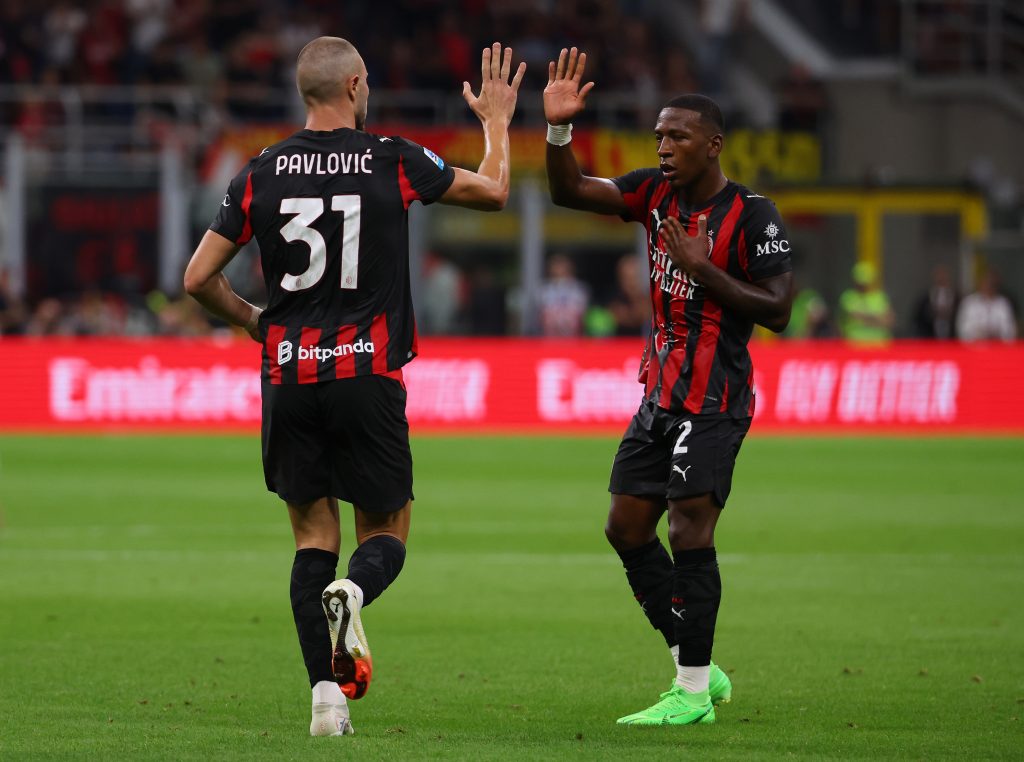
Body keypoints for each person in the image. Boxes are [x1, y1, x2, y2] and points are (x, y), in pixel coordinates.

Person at [184, 37, 525, 737]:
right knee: (386, 530)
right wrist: (495, 121)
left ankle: (326, 703)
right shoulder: (390, 158)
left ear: (305, 93)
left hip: (288, 375)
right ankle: (357, 590)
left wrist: (256, 321)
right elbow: (493, 191)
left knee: (313, 536)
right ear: (357, 84)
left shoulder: (261, 170)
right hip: (365, 371)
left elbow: (197, 279)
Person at [543, 48, 793, 726]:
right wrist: (560, 131)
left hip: (715, 400)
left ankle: (689, 692)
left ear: (712, 145)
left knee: (689, 530)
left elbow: (777, 310)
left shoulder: (754, 215)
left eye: (676, 136)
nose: (662, 147)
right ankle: (699, 664)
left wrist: (701, 268)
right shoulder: (653, 197)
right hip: (660, 396)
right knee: (626, 527)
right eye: (657, 136)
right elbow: (570, 191)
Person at [838, 261, 894, 342]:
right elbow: (855, 315)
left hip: (879, 344)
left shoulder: (880, 297)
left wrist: (866, 317)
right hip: (855, 344)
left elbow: (889, 321)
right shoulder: (849, 297)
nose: (863, 285)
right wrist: (878, 319)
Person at [956, 270, 1017, 341]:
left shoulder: (1004, 304)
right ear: (981, 283)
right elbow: (962, 329)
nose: (989, 286)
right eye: (987, 282)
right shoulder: (969, 303)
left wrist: (997, 333)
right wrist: (979, 333)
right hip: (974, 348)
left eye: (993, 284)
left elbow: (1010, 330)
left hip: (998, 348)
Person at [538, 253, 589, 336]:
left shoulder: (580, 289)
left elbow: (584, 316)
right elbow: (539, 316)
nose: (559, 269)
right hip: (549, 338)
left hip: (574, 338)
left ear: (570, 267)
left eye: (562, 265)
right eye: (556, 265)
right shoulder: (543, 290)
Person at [912, 263, 958, 339]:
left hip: (952, 339)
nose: (941, 278)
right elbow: (918, 319)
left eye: (944, 275)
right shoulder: (925, 298)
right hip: (930, 338)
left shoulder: (956, 297)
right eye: (939, 275)